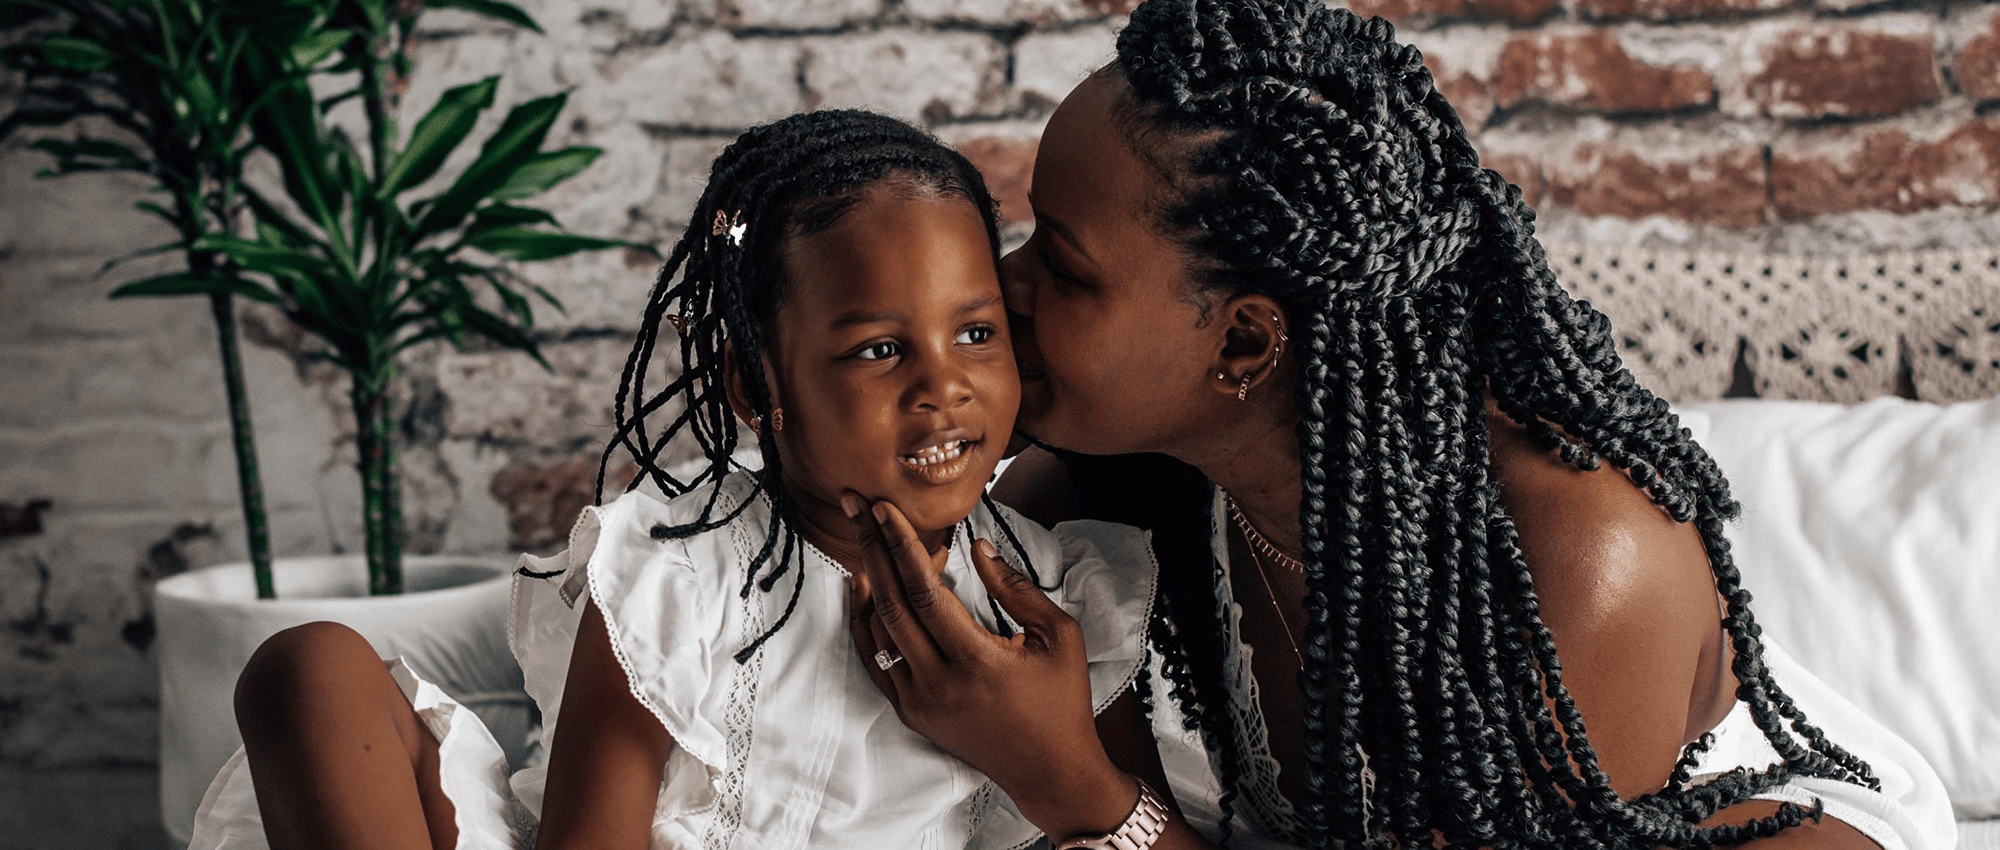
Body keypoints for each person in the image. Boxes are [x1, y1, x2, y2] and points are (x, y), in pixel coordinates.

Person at [843, 2, 1959, 849]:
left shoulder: (1583, 561)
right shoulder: (1111, 469)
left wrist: (1072, 786)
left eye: (1067, 268)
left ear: (1242, 345)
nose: (1005, 285)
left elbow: (1082, 789)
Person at [184, 109, 1160, 850]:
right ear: (755, 385)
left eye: (976, 332)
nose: (943, 385)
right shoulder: (678, 573)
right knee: (307, 670)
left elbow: (1091, 822)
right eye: (875, 349)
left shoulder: (1059, 606)